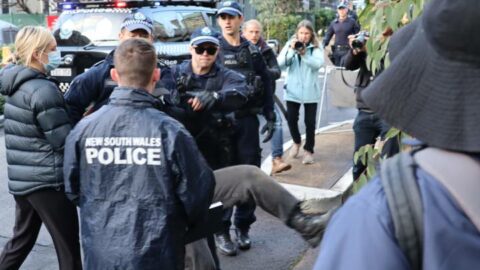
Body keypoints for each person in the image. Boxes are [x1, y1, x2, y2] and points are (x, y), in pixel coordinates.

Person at [314, 0, 480, 269]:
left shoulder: (379, 216)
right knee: (362, 165)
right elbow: (346, 63)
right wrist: (358, 51)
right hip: (365, 114)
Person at [63, 38, 216, 270]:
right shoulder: (171, 132)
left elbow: (73, 188)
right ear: (155, 75)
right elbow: (198, 193)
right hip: (159, 253)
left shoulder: (84, 129)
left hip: (102, 251)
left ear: (115, 76)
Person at [0, 26, 82, 270]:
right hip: (49, 181)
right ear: (37, 54)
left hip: (25, 181)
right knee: (68, 249)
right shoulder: (43, 89)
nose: (57, 54)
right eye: (53, 49)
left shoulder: (16, 84)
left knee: (20, 242)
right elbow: (62, 141)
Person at [214, 0, 276, 255]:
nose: (227, 21)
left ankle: (243, 226)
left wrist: (270, 115)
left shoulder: (252, 51)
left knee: (250, 174)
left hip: (247, 122)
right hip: (219, 124)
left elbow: (268, 82)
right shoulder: (212, 49)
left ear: (240, 19)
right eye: (223, 17)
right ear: (218, 21)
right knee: (221, 178)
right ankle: (220, 229)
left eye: (232, 17)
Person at [64, 12, 173, 125]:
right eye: (133, 35)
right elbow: (70, 107)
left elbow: (173, 111)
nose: (138, 40)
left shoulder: (164, 73)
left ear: (152, 39)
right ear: (120, 37)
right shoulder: (100, 72)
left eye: (144, 36)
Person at [342, 31, 399, 181]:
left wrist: (374, 49)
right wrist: (354, 51)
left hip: (388, 112)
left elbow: (391, 68)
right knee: (360, 162)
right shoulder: (364, 45)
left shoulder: (395, 42)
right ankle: (358, 197)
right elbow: (347, 65)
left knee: (389, 160)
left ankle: (388, 198)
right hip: (365, 111)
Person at [242, 19, 292, 175]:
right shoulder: (237, 49)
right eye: (251, 32)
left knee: (277, 122)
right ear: (244, 32)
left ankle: (277, 159)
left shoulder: (266, 50)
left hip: (264, 97)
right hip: (243, 100)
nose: (254, 35)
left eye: (257, 32)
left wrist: (262, 73)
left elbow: (276, 72)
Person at [278, 20, 324, 165]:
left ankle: (309, 150)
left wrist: (304, 54)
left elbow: (318, 64)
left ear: (311, 35)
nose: (304, 36)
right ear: (297, 33)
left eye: (307, 33)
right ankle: (296, 141)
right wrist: (292, 50)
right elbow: (280, 63)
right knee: (291, 119)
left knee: (309, 123)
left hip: (311, 90)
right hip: (292, 90)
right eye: (301, 33)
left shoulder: (316, 47)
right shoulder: (290, 44)